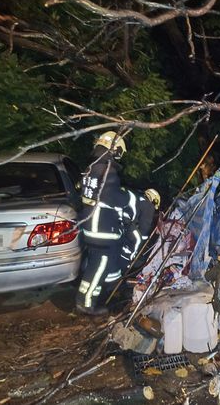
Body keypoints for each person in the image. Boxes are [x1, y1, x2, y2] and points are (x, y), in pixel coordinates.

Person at [76, 131, 158, 315]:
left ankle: (91, 298)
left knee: (96, 266)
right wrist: (131, 199)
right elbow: (114, 198)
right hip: (102, 230)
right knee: (98, 269)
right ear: (114, 149)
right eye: (119, 151)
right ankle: (86, 303)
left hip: (92, 226)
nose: (120, 156)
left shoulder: (92, 168)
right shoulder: (106, 170)